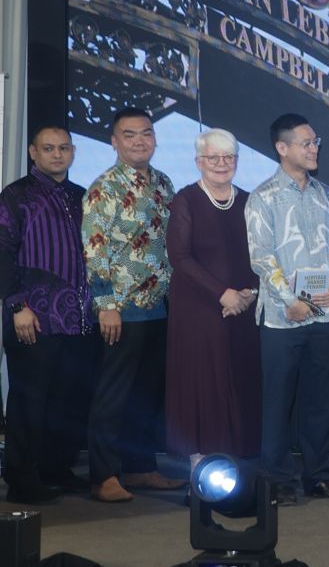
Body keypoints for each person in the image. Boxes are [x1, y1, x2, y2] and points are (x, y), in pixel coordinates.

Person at [82, 107, 185, 502]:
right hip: (121, 310)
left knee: (147, 395)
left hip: (161, 307)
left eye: (146, 134)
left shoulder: (164, 183)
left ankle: (141, 469)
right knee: (112, 396)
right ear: (114, 141)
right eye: (129, 134)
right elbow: (94, 252)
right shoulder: (103, 188)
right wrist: (106, 305)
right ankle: (103, 476)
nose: (139, 140)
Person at [245, 114, 329, 504]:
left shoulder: (325, 194)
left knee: (321, 402)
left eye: (315, 141)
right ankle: (277, 480)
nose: (314, 147)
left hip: (325, 313)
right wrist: (290, 301)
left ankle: (318, 476)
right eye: (306, 142)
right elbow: (261, 257)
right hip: (282, 317)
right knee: (278, 403)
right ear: (282, 148)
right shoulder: (263, 196)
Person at [0, 126, 96, 503]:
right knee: (29, 400)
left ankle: (56, 468)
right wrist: (18, 306)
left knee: (67, 399)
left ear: (73, 152)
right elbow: (2, 253)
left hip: (78, 320)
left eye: (64, 148)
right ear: (32, 152)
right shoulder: (17, 196)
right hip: (33, 318)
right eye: (48, 148)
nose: (57, 154)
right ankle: (22, 479)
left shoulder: (81, 196)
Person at [165, 129, 261, 471]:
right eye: (213, 158)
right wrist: (223, 293)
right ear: (198, 162)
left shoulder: (250, 201)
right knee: (202, 383)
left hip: (242, 309)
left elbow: (260, 253)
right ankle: (199, 470)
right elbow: (180, 256)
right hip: (198, 308)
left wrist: (249, 292)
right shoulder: (185, 200)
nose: (221, 165)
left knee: (238, 380)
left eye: (228, 158)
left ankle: (233, 467)